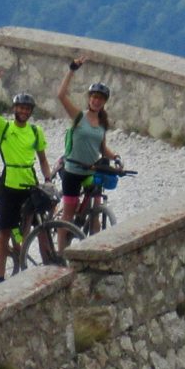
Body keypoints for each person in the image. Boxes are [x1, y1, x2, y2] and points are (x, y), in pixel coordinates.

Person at [0, 70, 53, 280]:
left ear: (30, 112)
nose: (23, 111)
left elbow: (43, 160)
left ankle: (48, 266)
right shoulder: (4, 127)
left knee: (41, 227)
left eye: (27, 108)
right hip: (10, 186)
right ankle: (1, 278)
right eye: (20, 107)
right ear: (14, 109)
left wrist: (47, 180)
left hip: (31, 184)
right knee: (4, 231)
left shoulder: (36, 131)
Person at [54, 56, 122, 247]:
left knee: (96, 211)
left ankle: (95, 248)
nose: (96, 101)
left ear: (104, 102)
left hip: (91, 171)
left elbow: (102, 148)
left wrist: (115, 157)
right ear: (89, 98)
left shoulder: (102, 123)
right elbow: (61, 95)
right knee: (68, 213)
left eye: (100, 98)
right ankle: (61, 255)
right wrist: (72, 70)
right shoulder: (78, 117)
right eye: (94, 97)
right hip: (72, 171)